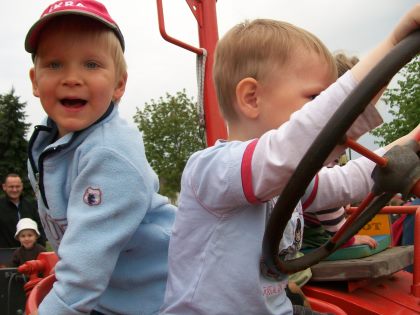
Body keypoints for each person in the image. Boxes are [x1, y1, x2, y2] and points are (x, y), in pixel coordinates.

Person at [161, 6, 420, 315]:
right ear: (251, 98)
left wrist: (414, 141)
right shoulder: (212, 170)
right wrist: (392, 42)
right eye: (316, 100)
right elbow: (297, 144)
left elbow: (350, 180)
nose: (325, 111)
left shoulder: (289, 183)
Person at [25, 1, 176, 314]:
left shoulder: (111, 155)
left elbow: (85, 267)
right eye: (54, 64)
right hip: (108, 294)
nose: (72, 78)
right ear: (35, 81)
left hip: (156, 299)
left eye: (91, 65)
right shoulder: (46, 143)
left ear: (119, 84)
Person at [301, 52, 377, 252]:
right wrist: (346, 238)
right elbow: (327, 199)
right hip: (303, 236)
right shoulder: (321, 147)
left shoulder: (329, 145)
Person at [0, 173, 46, 248]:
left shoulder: (30, 205)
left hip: (30, 253)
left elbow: (40, 228)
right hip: (5, 253)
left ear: (22, 186)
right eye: (11, 187)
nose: (15, 190)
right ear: (4, 187)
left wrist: (40, 247)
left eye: (17, 186)